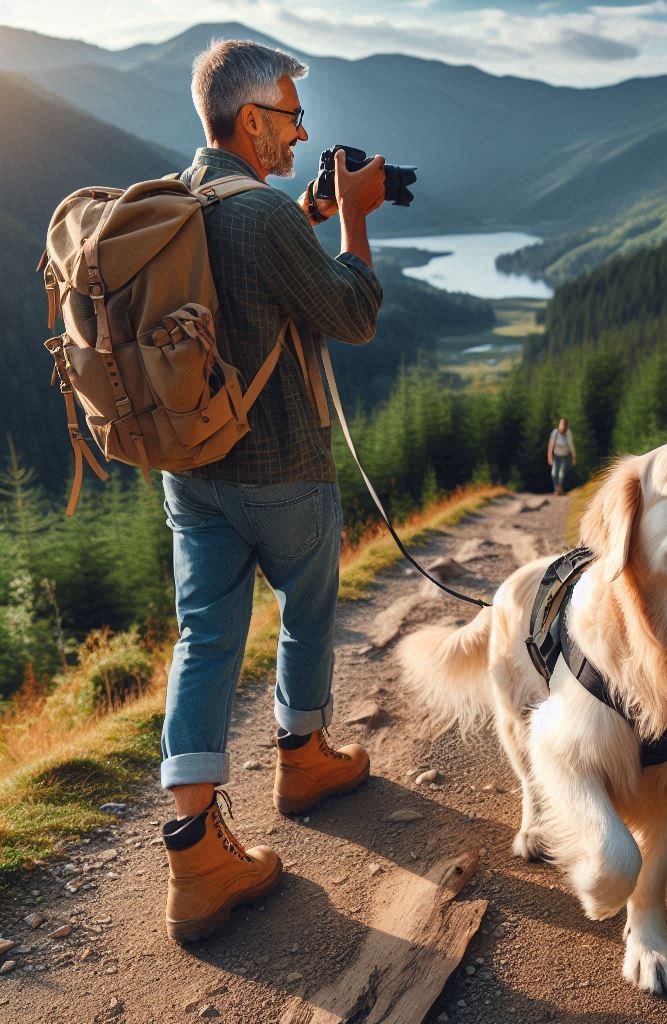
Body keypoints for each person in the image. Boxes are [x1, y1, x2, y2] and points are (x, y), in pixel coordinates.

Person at [159, 39, 386, 943]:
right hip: (282, 463)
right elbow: (352, 313)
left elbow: (241, 283)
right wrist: (355, 222)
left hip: (193, 470)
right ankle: (304, 761)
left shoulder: (183, 198)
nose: (303, 132)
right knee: (307, 609)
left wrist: (305, 213)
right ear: (251, 119)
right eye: (292, 116)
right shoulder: (265, 218)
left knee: (205, 635)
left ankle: (195, 854)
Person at [547, 417, 576, 496]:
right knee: (553, 473)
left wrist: (574, 456)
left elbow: (571, 445)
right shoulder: (555, 432)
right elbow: (551, 445)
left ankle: (559, 489)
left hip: (565, 456)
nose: (563, 426)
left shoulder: (568, 433)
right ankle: (556, 488)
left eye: (564, 424)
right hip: (556, 456)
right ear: (560, 424)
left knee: (561, 473)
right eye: (562, 424)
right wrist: (549, 456)